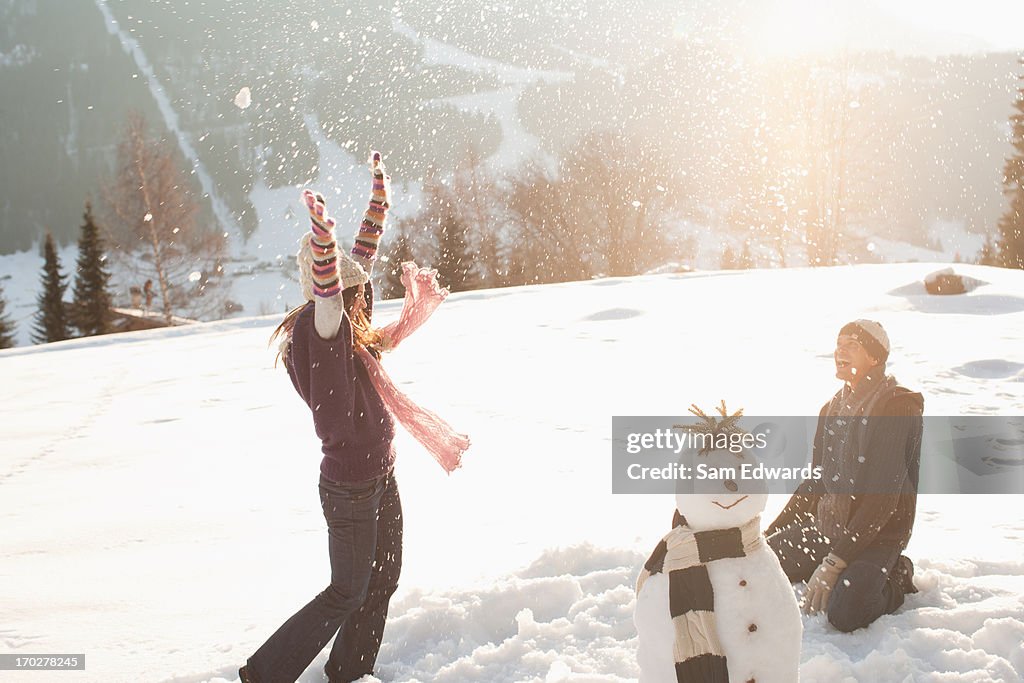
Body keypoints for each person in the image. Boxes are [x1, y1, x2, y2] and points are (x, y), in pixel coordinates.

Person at [240, 154, 403, 683]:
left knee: (382, 580)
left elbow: (361, 261)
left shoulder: (348, 322)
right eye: (355, 292)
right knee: (346, 592)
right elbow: (332, 292)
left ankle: (349, 672)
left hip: (381, 476)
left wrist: (378, 201)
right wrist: (322, 242)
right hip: (352, 489)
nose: (365, 299)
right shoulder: (321, 334)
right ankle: (264, 674)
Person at [765, 319, 924, 632]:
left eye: (852, 344)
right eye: (839, 344)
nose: (841, 350)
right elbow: (817, 482)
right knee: (763, 566)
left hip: (880, 533)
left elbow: (882, 501)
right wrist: (768, 535)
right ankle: (841, 560)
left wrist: (834, 562)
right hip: (830, 526)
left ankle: (897, 573)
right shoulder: (831, 409)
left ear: (875, 358)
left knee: (847, 612)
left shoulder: (897, 407)